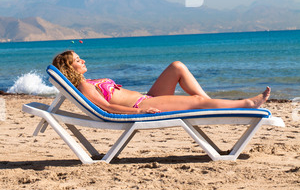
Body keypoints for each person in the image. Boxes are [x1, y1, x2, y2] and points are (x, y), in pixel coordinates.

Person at [52, 50, 271, 115]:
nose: (83, 60)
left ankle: (209, 103)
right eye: (77, 60)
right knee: (196, 101)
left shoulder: (88, 81)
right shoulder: (84, 86)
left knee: (177, 66)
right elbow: (108, 108)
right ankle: (246, 104)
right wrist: (138, 113)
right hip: (141, 106)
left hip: (147, 97)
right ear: (70, 68)